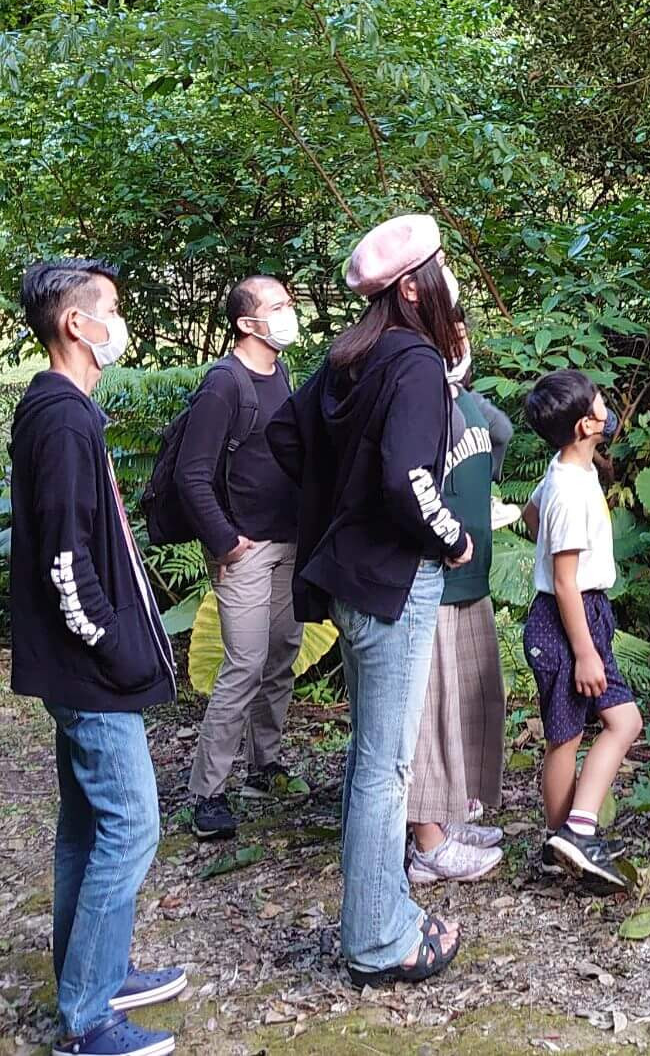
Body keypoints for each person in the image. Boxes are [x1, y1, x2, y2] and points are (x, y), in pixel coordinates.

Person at [269, 215, 471, 988]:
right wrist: (452, 539)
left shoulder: (349, 356)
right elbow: (408, 482)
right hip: (392, 584)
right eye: (441, 267)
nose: (450, 279)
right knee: (385, 768)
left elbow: (289, 437)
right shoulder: (416, 363)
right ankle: (377, 939)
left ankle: (386, 908)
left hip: (348, 579)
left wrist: (335, 507)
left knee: (371, 762)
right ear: (414, 286)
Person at [6, 259, 188, 1056]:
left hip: (82, 665)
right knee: (131, 827)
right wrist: (116, 651)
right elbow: (65, 560)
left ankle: (100, 972)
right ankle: (86, 1016)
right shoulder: (60, 419)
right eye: (109, 308)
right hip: (88, 669)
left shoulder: (67, 411)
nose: (119, 320)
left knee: (86, 825)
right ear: (76, 324)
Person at [182, 276, 302, 841]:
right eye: (276, 307)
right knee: (244, 665)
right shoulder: (223, 385)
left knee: (281, 655)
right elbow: (191, 474)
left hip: (288, 543)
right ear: (246, 323)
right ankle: (207, 792)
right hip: (245, 551)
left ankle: (266, 765)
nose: (289, 313)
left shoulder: (280, 372)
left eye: (288, 303)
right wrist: (225, 541)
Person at [520, 367, 642, 891]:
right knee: (568, 738)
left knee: (619, 722)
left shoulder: (568, 471)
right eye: (597, 404)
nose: (605, 409)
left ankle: (570, 835)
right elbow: (566, 584)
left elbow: (529, 515)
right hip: (568, 620)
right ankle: (571, 833)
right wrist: (586, 652)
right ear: (583, 426)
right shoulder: (569, 489)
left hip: (580, 615)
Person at [405, 349, 514, 886]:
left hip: (472, 579)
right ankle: (426, 842)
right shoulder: (413, 403)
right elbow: (402, 486)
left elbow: (502, 430)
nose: (457, 343)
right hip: (429, 581)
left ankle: (448, 815)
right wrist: (446, 536)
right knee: (427, 712)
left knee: (469, 700)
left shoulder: (464, 401)